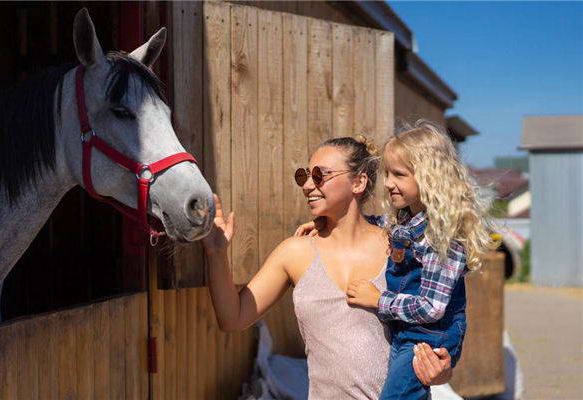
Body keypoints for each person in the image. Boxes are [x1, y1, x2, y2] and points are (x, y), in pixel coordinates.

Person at [201, 135, 454, 399]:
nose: (308, 185)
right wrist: (216, 252)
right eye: (304, 176)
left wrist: (442, 370)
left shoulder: (397, 246)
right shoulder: (295, 252)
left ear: (358, 182)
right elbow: (233, 318)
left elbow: (437, 327)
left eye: (321, 175)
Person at [298, 121, 498, 400]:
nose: (389, 183)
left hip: (429, 338)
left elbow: (432, 308)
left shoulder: (443, 239)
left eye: (399, 175)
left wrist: (378, 300)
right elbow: (381, 224)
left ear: (429, 178)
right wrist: (326, 224)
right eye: (388, 174)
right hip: (409, 333)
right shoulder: (406, 220)